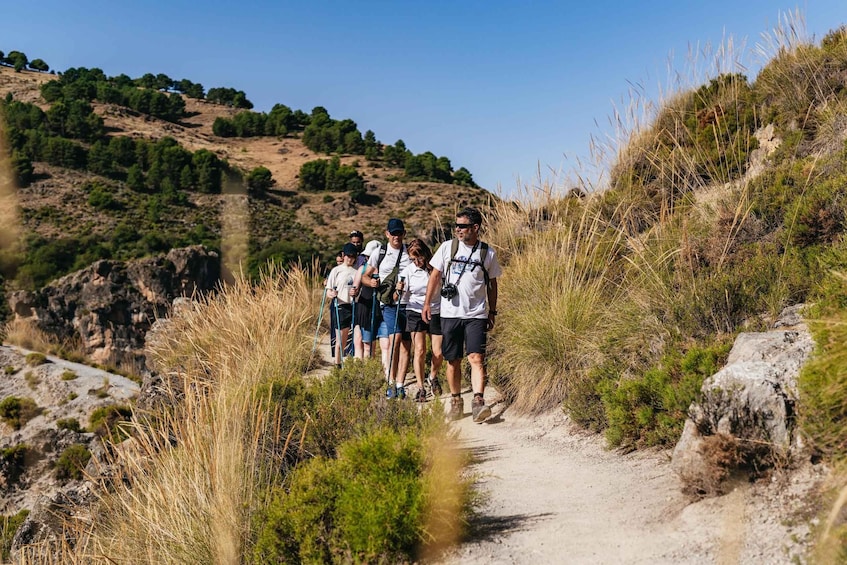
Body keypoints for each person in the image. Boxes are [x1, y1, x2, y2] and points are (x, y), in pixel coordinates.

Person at [423, 207, 501, 422]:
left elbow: (493, 285)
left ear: (475, 228)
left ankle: (478, 401)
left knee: (476, 357)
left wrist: (492, 311)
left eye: (462, 226)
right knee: (453, 361)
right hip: (450, 313)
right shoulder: (447, 248)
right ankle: (456, 400)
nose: (457, 229)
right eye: (456, 225)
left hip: (476, 314)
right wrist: (427, 303)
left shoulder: (487, 253)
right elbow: (435, 276)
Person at [362, 218, 412, 399]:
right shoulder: (380, 252)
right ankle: (390, 382)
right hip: (389, 304)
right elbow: (364, 277)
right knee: (395, 339)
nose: (396, 237)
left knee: (407, 344)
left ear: (403, 234)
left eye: (399, 233)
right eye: (393, 233)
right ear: (387, 234)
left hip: (410, 304)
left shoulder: (410, 252)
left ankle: (400, 384)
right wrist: (372, 282)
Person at [399, 239, 444, 402]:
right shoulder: (408, 271)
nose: (417, 262)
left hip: (436, 311)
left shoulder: (435, 268)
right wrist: (399, 290)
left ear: (425, 255)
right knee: (420, 350)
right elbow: (402, 296)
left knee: (438, 352)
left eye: (419, 258)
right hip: (415, 311)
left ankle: (432, 376)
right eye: (413, 259)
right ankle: (420, 387)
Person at [325, 243, 359, 368]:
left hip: (355, 306)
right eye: (348, 256)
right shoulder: (336, 270)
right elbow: (328, 290)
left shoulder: (357, 271)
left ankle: (354, 362)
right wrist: (332, 293)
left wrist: (356, 292)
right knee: (341, 339)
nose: (350, 258)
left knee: (356, 338)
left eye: (353, 256)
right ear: (344, 255)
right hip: (341, 306)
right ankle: (338, 364)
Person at [351, 240, 382, 358]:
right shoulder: (362, 269)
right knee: (366, 343)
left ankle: (372, 368)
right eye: (367, 256)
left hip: (380, 307)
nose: (368, 258)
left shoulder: (385, 269)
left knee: (378, 344)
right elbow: (356, 287)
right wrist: (353, 292)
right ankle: (364, 370)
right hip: (365, 307)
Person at [328, 250, 344, 354]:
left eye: (341, 261)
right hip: (335, 303)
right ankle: (335, 351)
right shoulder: (334, 271)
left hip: (345, 303)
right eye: (337, 261)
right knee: (335, 328)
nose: (339, 263)